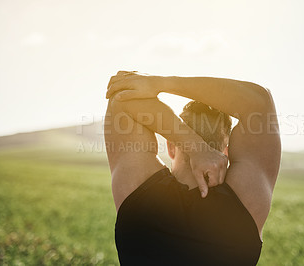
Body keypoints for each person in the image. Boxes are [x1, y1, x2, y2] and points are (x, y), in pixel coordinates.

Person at [104, 71, 281, 265]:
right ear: (226, 152)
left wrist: (195, 147)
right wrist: (162, 81)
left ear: (171, 147)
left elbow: (120, 99)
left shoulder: (137, 188)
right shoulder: (245, 200)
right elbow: (259, 102)